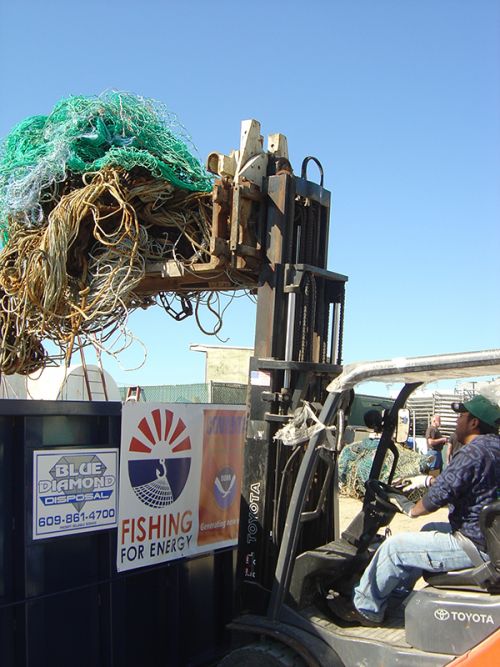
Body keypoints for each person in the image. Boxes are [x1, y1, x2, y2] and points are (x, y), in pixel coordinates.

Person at [329, 392, 500, 627]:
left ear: (474, 423)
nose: (457, 421)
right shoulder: (494, 448)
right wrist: (425, 481)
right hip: (487, 537)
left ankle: (366, 608)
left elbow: (440, 495)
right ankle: (394, 594)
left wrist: (411, 508)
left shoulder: (473, 452)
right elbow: (465, 483)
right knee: (428, 529)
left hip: (477, 544)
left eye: (461, 416)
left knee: (394, 548)